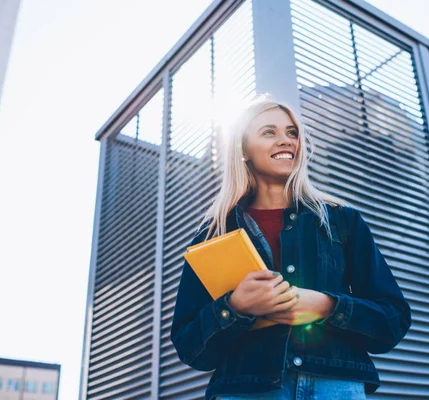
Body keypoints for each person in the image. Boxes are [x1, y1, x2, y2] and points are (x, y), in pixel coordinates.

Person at [170, 94, 411, 399]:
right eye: (269, 132)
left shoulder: (342, 221)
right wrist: (235, 308)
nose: (286, 141)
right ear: (243, 149)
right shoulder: (212, 235)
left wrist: (326, 306)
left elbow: (393, 319)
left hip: (335, 387)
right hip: (245, 390)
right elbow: (190, 348)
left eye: (292, 132)